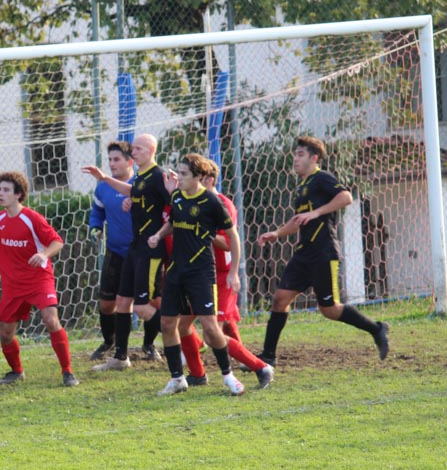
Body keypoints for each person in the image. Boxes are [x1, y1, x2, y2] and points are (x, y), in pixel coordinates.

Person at [255, 136, 389, 365]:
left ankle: (377, 329)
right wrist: (277, 233)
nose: (295, 159)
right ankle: (268, 356)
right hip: (304, 253)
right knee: (280, 299)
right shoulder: (302, 186)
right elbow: (299, 220)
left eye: (300, 154)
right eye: (295, 154)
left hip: (323, 253)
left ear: (314, 158)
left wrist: (316, 212)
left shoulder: (322, 178)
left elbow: (346, 197)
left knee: (329, 309)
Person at [0, 171, 79, 386]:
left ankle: (68, 371)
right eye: (0, 189)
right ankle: (16, 371)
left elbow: (57, 241)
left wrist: (43, 254)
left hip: (38, 280)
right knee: (5, 333)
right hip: (13, 286)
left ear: (18, 194)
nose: (1, 193)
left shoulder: (31, 218)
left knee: (51, 320)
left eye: (6, 190)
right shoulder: (0, 219)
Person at [148, 153, 245, 395]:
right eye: (179, 173)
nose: (178, 178)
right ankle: (177, 379)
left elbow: (232, 237)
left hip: (201, 272)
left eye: (183, 174)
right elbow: (173, 222)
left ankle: (228, 376)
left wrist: (234, 272)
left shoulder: (212, 201)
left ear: (199, 177)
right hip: (176, 271)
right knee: (167, 323)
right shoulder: (178, 197)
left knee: (210, 328)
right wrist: (158, 235)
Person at [177, 159, 274, 389]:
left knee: (212, 334)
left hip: (220, 275)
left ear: (208, 180)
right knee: (183, 325)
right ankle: (198, 374)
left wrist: (203, 233)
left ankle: (261, 367)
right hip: (198, 273)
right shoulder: (191, 200)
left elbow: (228, 242)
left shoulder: (221, 204)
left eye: (189, 175)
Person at [82, 133, 171, 370]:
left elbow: (174, 207)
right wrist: (125, 196)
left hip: (150, 250)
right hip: (134, 247)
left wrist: (160, 234)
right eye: (133, 148)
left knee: (144, 306)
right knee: (121, 302)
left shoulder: (159, 176)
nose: (134, 152)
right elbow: (135, 194)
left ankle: (180, 338)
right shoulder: (140, 177)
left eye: (138, 148)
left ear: (151, 150)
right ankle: (120, 357)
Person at [87, 140, 135, 360]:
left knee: (148, 304)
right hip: (115, 251)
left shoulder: (140, 184)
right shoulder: (103, 187)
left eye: (116, 159)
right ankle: (109, 341)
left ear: (129, 161)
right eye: (110, 160)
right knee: (107, 304)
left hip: (140, 253)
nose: (112, 164)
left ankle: (149, 345)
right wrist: (95, 227)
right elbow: (97, 212)